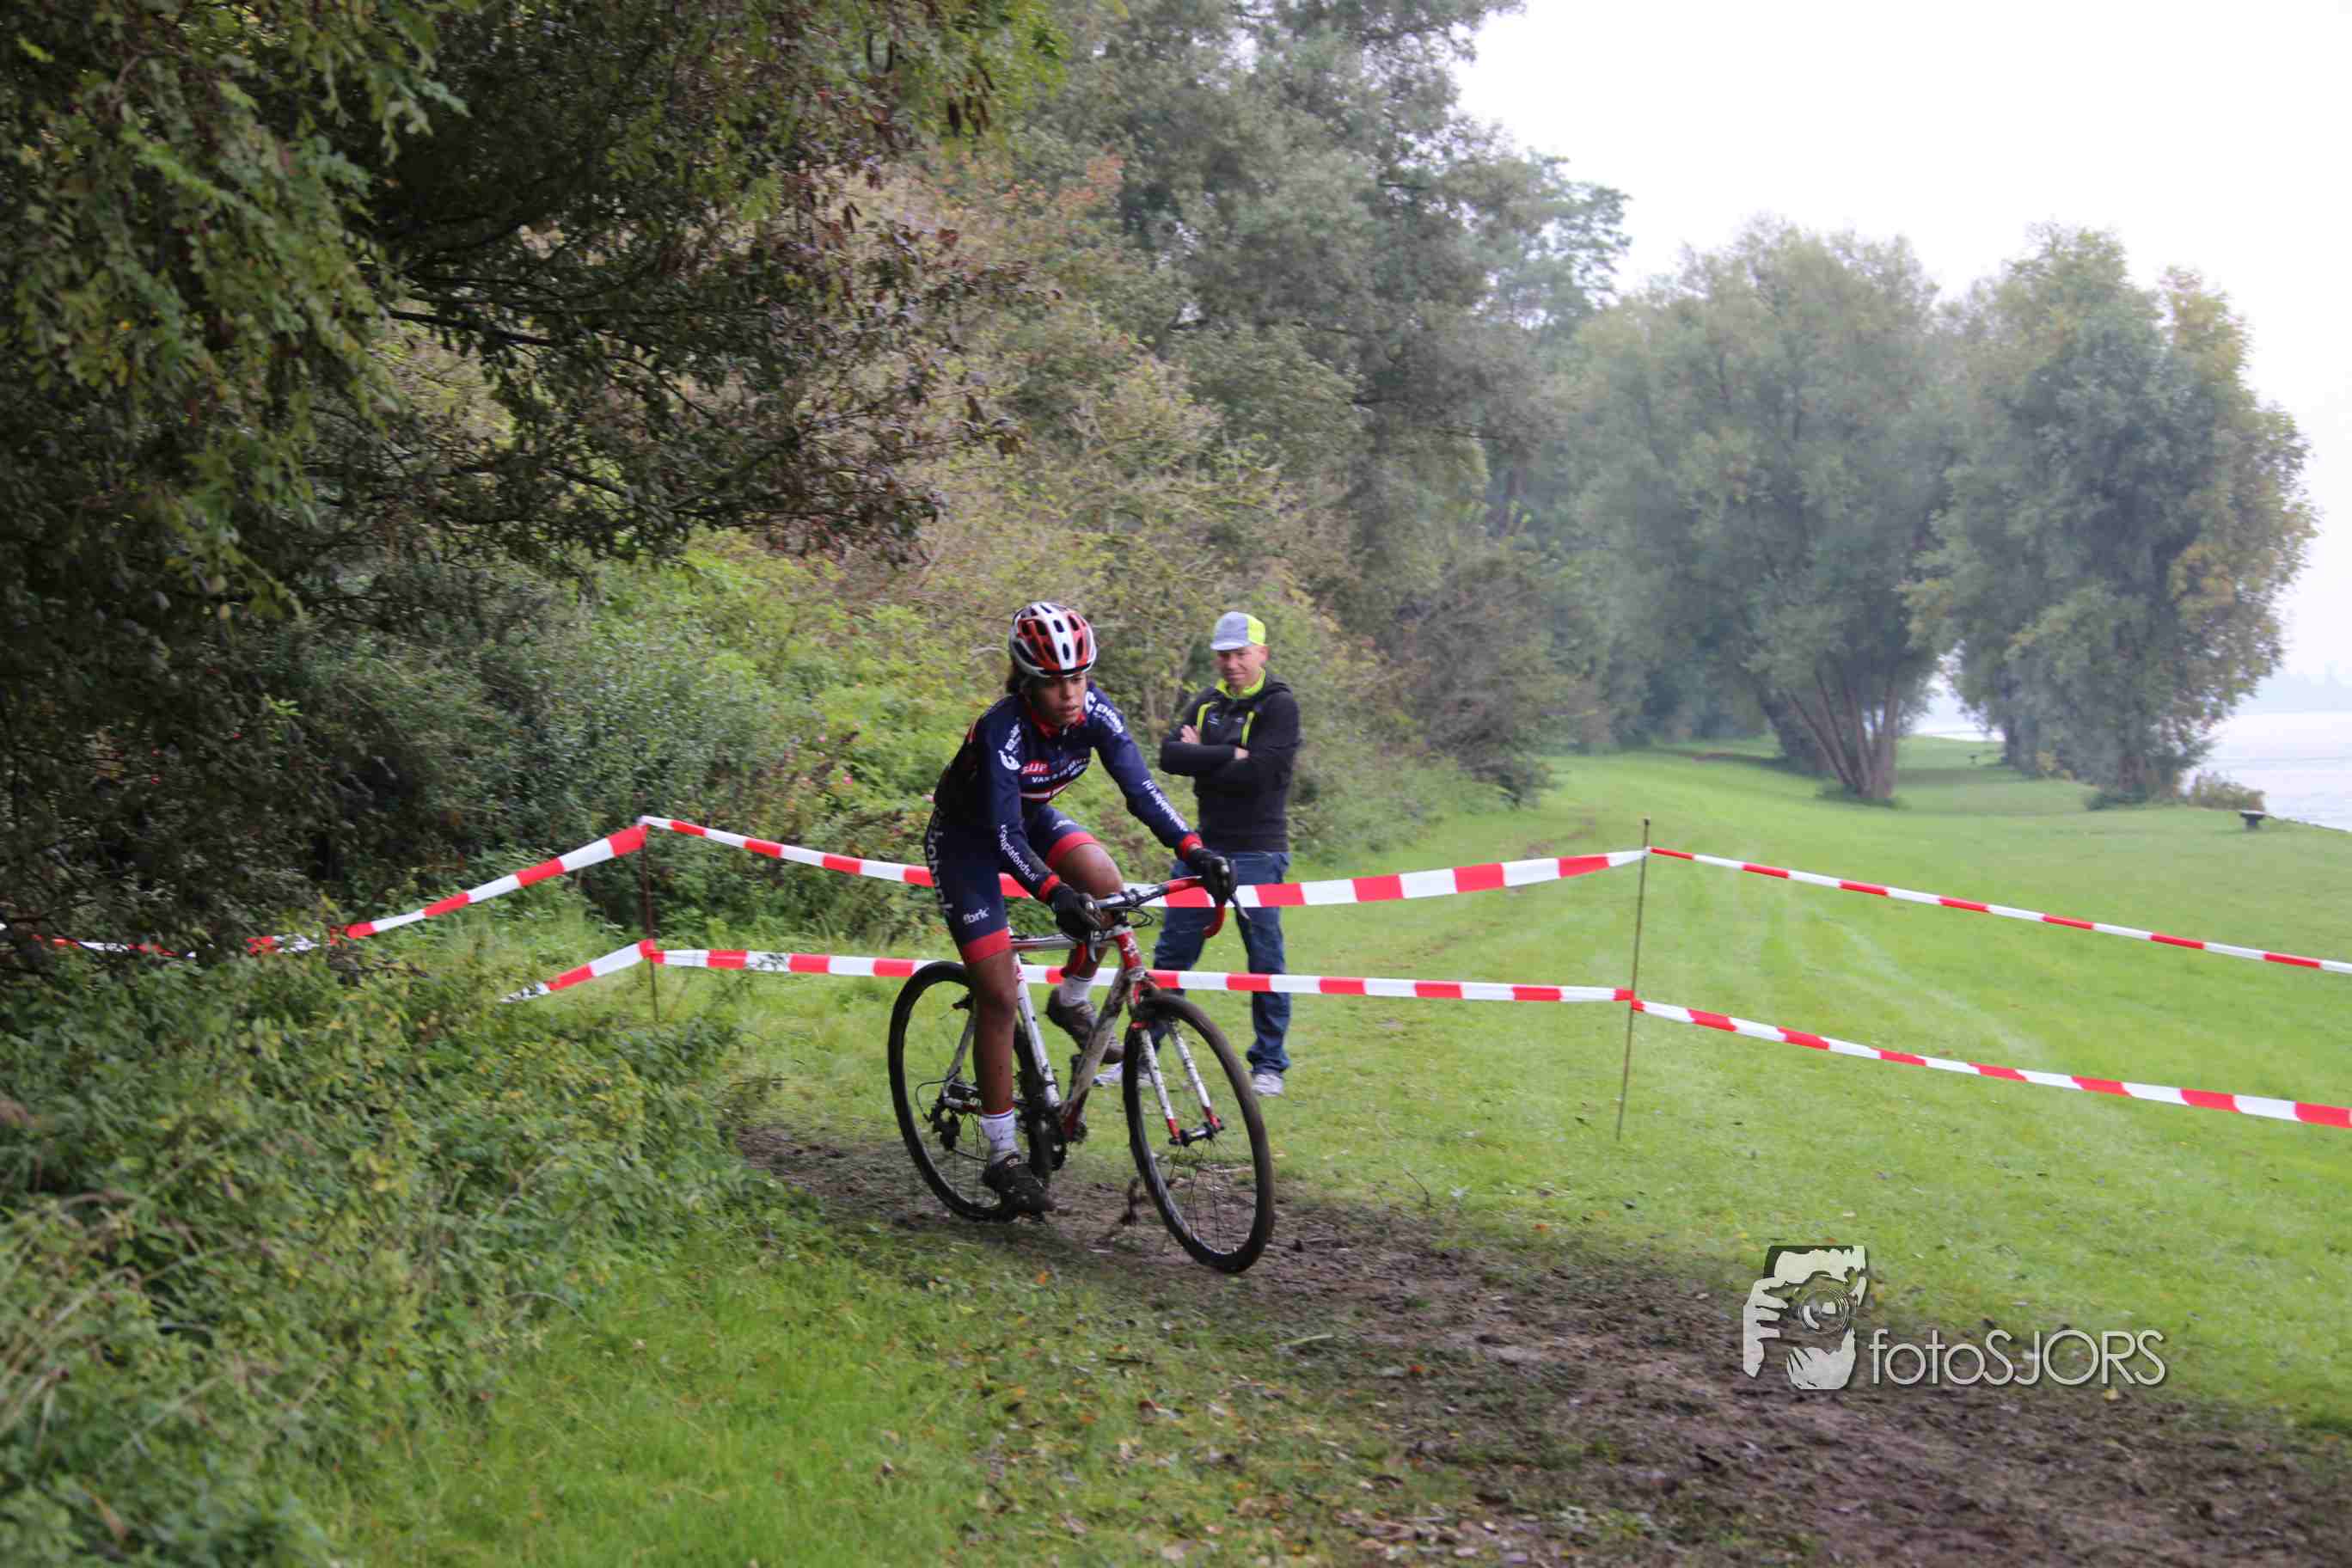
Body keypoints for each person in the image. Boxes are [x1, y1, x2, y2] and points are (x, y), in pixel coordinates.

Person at [925, 602, 1236, 1216]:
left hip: (1031, 820)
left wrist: (1194, 850)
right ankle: (1002, 1156)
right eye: (1055, 682)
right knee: (998, 994)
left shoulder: (1094, 711)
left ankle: (1070, 1000)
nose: (1071, 694)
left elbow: (1141, 790)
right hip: (968, 839)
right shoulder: (1002, 730)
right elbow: (1002, 834)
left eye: (1079, 678)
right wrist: (1053, 894)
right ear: (1026, 682)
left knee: (1108, 887)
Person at [1152, 611, 1302, 1098]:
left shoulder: (1280, 705)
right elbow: (1168, 756)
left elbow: (1264, 773)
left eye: (1240, 654)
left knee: (1264, 959)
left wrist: (1204, 758)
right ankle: (1144, 1054)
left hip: (1260, 849)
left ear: (1262, 653)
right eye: (1223, 655)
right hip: (1203, 847)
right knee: (1171, 954)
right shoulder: (1208, 703)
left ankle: (1270, 1064)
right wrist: (1228, 755)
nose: (1232, 663)